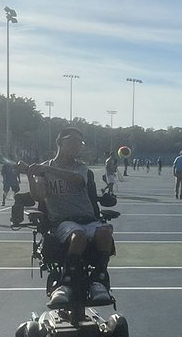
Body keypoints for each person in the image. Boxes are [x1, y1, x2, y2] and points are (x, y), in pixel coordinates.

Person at [18, 127, 114, 308]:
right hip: (63, 221)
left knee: (105, 233)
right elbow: (39, 196)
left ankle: (98, 282)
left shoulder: (81, 168)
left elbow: (77, 180)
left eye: (80, 143)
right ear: (60, 143)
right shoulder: (44, 170)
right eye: (72, 141)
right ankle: (66, 284)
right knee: (79, 236)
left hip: (88, 219)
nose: (77, 146)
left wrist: (45, 169)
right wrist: (32, 175)